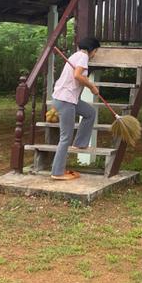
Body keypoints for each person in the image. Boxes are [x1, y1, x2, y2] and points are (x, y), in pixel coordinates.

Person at [49, 37, 100, 180]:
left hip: (68, 98)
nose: (95, 54)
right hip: (65, 100)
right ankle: (57, 172)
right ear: (92, 49)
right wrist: (92, 86)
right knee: (65, 138)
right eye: (96, 51)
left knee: (89, 113)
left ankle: (80, 143)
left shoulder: (76, 55)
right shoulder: (83, 56)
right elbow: (77, 75)